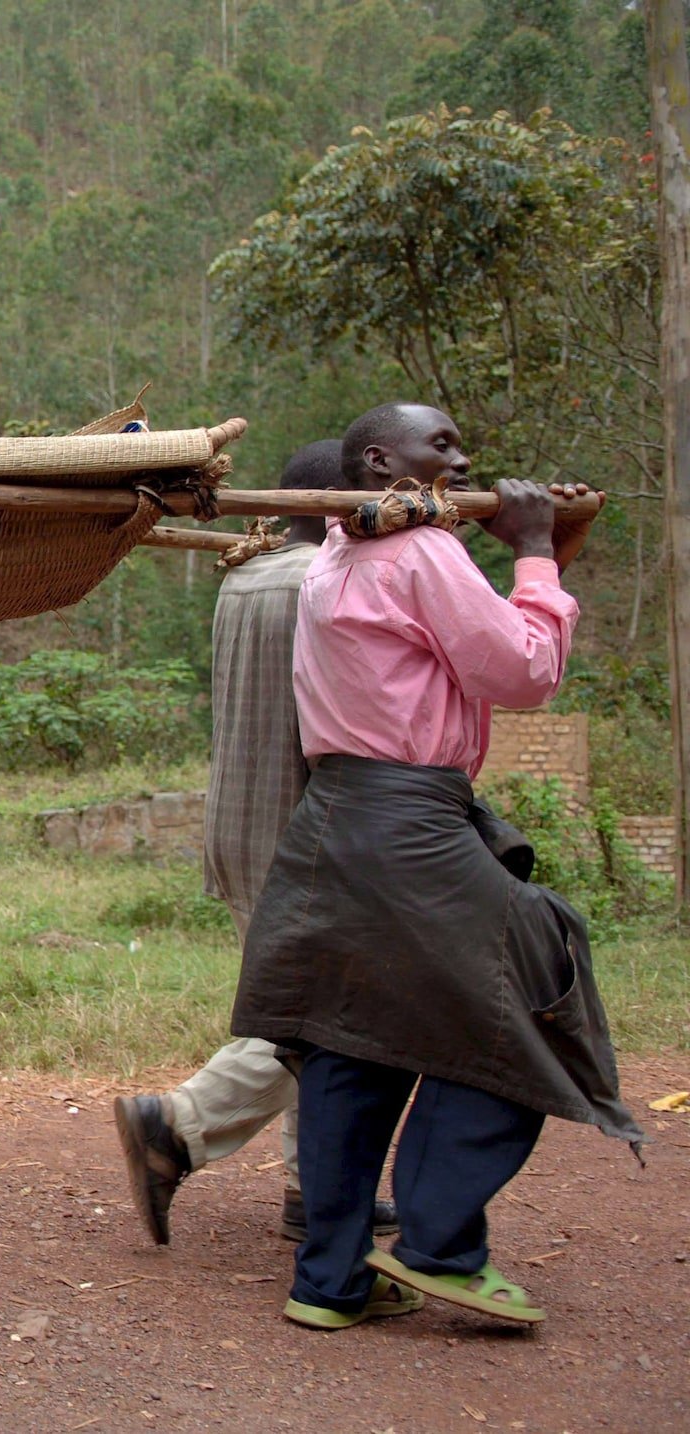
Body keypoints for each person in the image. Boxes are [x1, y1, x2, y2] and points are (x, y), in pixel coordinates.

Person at [231, 402, 642, 1332]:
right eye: (442, 446)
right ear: (382, 463)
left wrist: (545, 549)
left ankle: (328, 1281)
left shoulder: (339, 551)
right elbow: (522, 671)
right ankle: (439, 1247)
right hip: (408, 819)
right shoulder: (419, 551)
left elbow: (456, 647)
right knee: (528, 995)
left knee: (353, 1035)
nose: (462, 459)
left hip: (337, 815)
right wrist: (535, 551)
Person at [113, 441, 398, 1247]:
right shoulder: (324, 583)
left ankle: (315, 1189)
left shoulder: (247, 575)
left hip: (242, 825)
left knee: (314, 1010)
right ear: (347, 500)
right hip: (307, 833)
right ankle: (177, 1124)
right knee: (321, 1023)